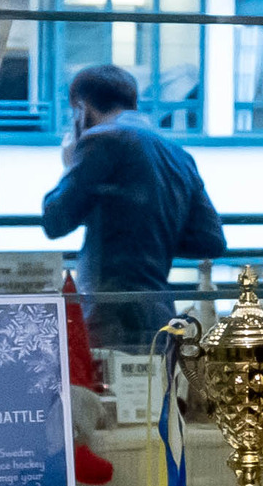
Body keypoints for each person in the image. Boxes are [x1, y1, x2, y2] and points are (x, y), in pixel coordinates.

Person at [35, 56, 230, 353]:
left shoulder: (101, 140)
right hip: (160, 314)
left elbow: (56, 220)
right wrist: (148, 231)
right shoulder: (176, 153)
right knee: (153, 396)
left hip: (110, 316)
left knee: (110, 398)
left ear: (82, 110)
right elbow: (211, 241)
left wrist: (70, 161)